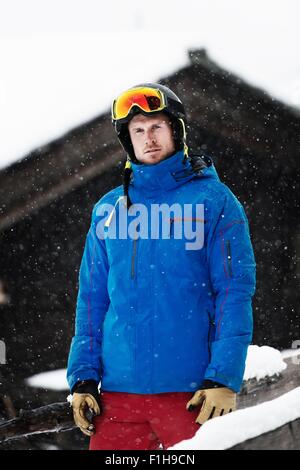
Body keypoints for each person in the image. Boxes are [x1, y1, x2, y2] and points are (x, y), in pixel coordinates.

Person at [67, 83, 256, 450]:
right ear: (128, 140)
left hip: (193, 397)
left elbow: (233, 292)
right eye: (138, 130)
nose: (148, 138)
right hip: (119, 398)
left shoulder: (213, 200)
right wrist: (84, 378)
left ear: (176, 131)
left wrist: (223, 377)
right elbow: (92, 300)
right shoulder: (108, 210)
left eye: (156, 127)